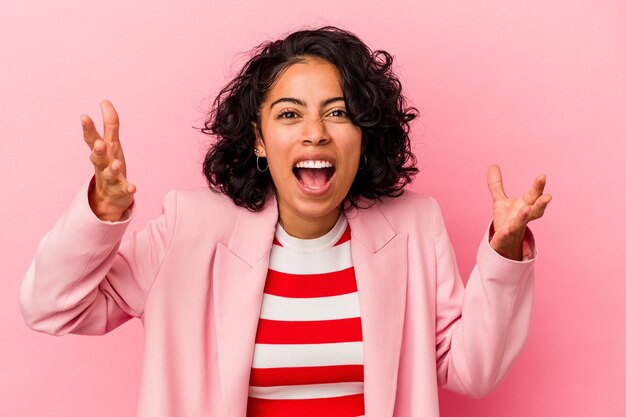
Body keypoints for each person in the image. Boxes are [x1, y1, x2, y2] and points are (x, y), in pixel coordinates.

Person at [20, 26, 551, 417]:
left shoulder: (414, 227)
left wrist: (504, 255)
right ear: (257, 138)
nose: (315, 132)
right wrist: (103, 211)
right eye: (290, 113)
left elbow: (472, 371)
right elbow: (50, 307)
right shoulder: (188, 230)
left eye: (338, 113)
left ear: (363, 135)